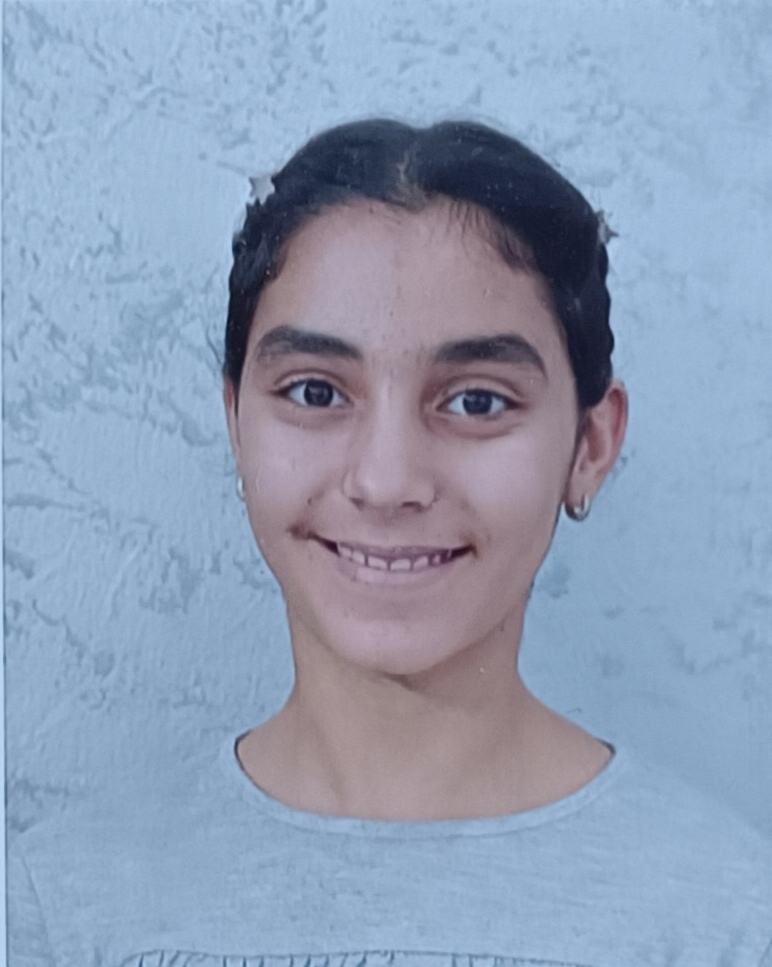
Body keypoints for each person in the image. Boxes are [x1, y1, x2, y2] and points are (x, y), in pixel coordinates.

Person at [8, 119, 772, 966]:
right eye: (314, 391)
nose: (386, 480)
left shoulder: (728, 920)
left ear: (590, 446)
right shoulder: (59, 907)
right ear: (236, 423)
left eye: (477, 401)